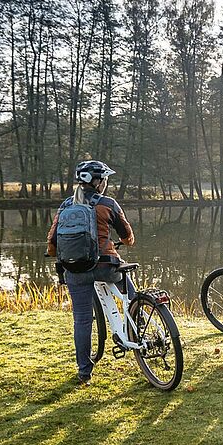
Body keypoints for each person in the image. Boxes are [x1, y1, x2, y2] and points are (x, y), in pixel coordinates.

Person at [47, 160, 136, 384]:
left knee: (82, 319)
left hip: (75, 269)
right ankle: (138, 320)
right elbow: (127, 236)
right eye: (105, 179)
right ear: (98, 182)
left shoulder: (66, 206)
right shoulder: (108, 203)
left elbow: (52, 243)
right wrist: (122, 241)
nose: (105, 183)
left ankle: (84, 372)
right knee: (130, 290)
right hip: (106, 265)